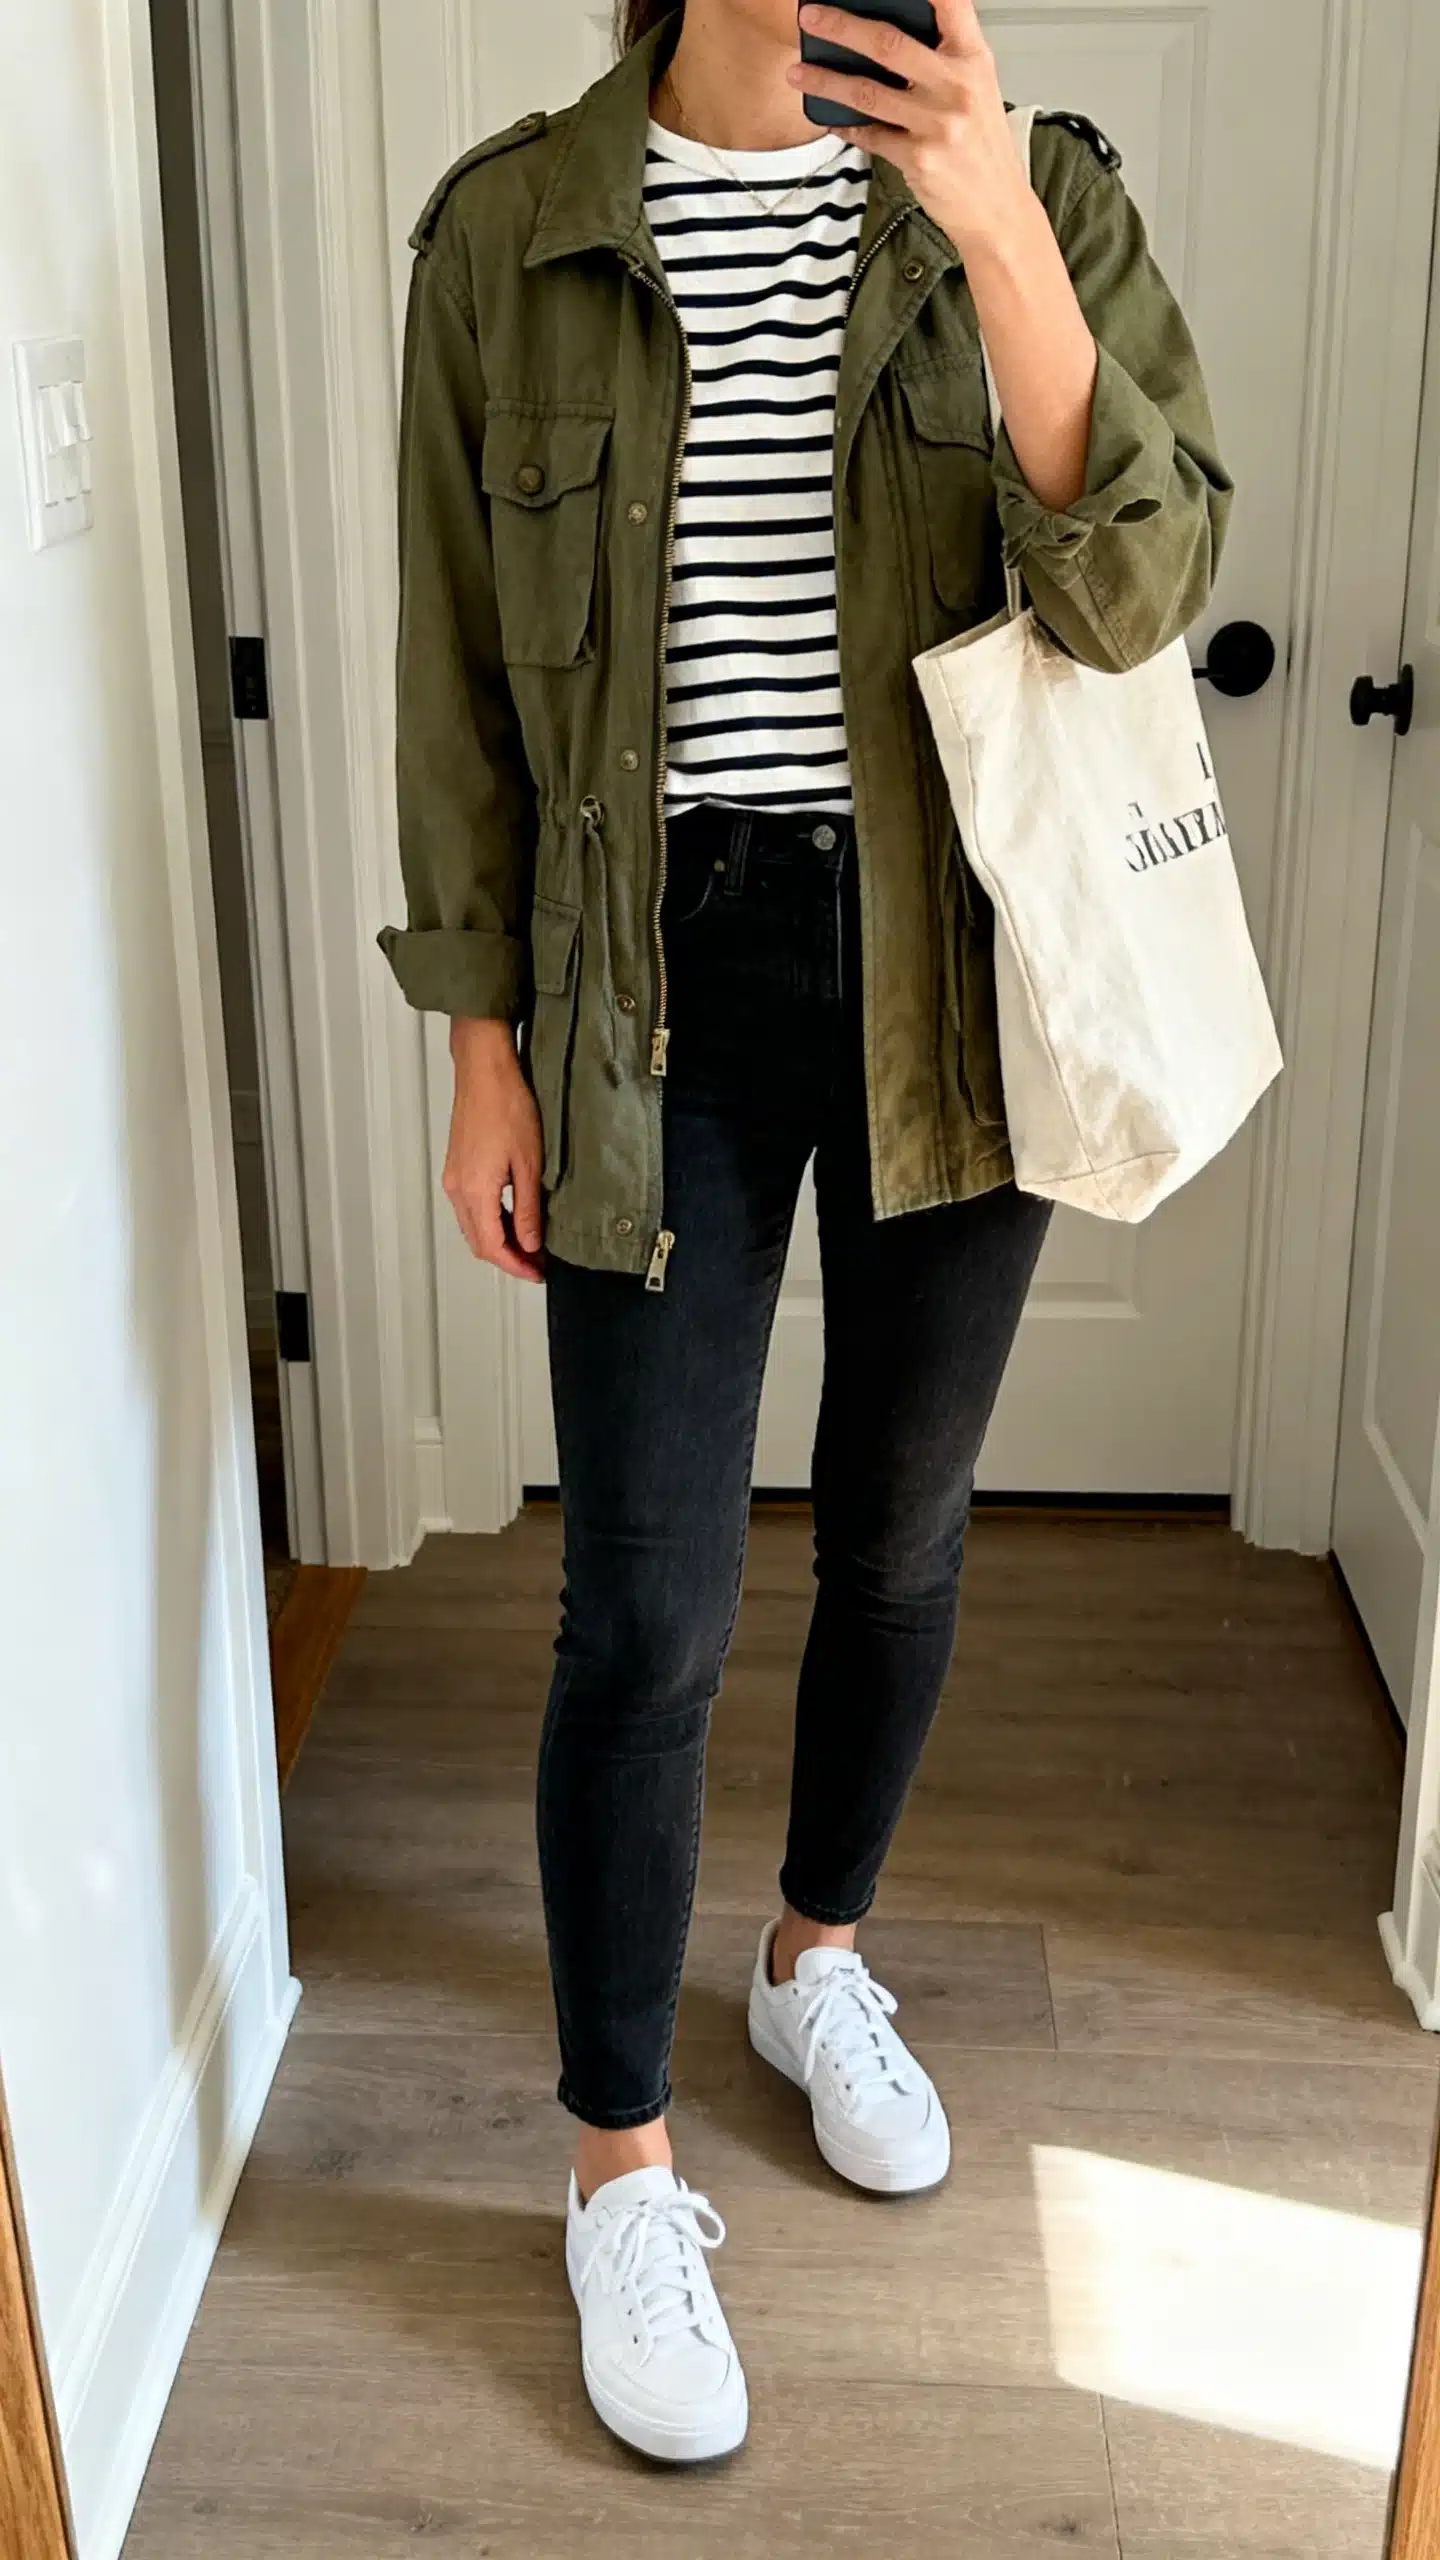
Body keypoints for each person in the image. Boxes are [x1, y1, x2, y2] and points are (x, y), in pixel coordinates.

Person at [380, 0, 1232, 2465]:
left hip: (960, 969)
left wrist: (995, 226)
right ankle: (617, 2159)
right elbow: (457, 674)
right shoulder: (513, 228)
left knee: (901, 1528)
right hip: (643, 989)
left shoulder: (1040, 193)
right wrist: (480, 1047)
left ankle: (813, 1952)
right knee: (641, 1602)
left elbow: (1147, 582)